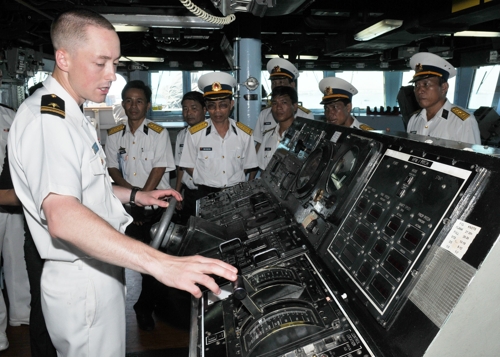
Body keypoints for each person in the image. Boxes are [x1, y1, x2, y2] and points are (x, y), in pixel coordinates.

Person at [7, 9, 237, 357]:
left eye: (114, 63)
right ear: (63, 58)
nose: (112, 75)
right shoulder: (48, 119)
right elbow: (63, 215)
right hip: (81, 276)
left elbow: (85, 186)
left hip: (98, 264)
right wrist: (162, 264)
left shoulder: (72, 113)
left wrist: (135, 194)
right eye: (100, 63)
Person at [105, 80, 175, 331]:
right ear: (123, 104)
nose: (133, 106)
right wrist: (131, 195)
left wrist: (142, 197)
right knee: (124, 258)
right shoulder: (113, 135)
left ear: (147, 105)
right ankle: (138, 304)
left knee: (156, 258)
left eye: (139, 101)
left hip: (155, 208)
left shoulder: (159, 133)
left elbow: (159, 169)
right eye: (128, 100)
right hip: (126, 208)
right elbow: (112, 167)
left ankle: (145, 306)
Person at [179, 72, 258, 198]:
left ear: (231, 104)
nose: (217, 111)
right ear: (206, 107)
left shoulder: (244, 134)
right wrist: (207, 180)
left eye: (223, 105)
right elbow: (188, 164)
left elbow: (247, 165)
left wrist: (231, 181)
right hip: (205, 193)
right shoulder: (194, 134)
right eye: (212, 106)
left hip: (235, 192)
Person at [0, 80, 31, 352]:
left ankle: (20, 313)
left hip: (12, 200)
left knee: (16, 258)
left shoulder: (10, 116)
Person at [406, 52, 481, 144]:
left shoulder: (463, 121)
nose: (420, 90)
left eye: (426, 84)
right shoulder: (414, 119)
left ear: (444, 87)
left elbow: (472, 157)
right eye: (416, 85)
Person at [253, 58, 314, 150]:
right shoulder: (264, 114)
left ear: (292, 85)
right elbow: (259, 144)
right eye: (273, 83)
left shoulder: (306, 115)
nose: (276, 86)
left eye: (281, 82)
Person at [175, 91, 206, 224]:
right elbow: (180, 168)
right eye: (185, 109)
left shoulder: (213, 134)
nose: (189, 113)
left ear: (204, 110)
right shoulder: (181, 135)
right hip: (189, 193)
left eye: (194, 108)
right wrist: (177, 194)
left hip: (208, 192)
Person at [256, 86, 298, 173]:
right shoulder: (267, 136)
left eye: (284, 102)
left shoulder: (303, 137)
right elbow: (263, 172)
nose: (278, 107)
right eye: (275, 103)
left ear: (294, 106)